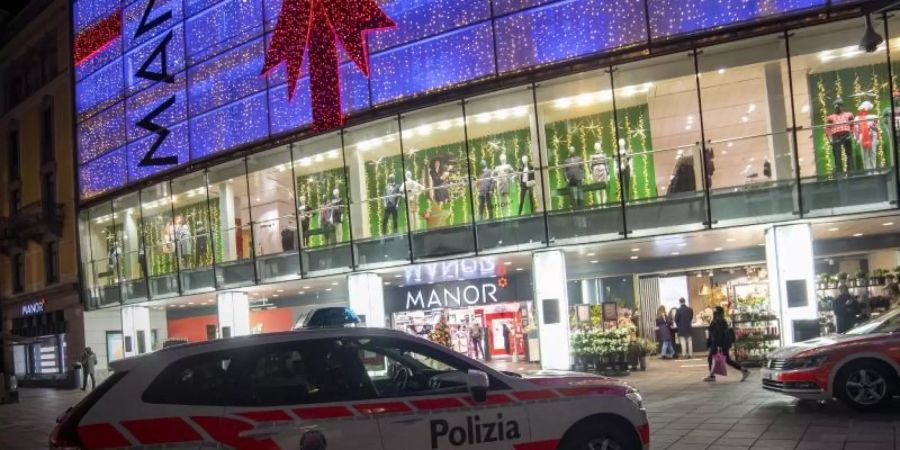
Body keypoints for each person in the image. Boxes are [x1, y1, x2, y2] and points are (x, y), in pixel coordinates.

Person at [704, 307, 749, 382]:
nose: (714, 313)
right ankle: (744, 370)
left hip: (719, 343)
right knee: (727, 360)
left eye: (715, 311)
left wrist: (719, 346)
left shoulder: (719, 320)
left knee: (712, 358)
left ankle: (712, 376)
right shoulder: (720, 319)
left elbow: (719, 334)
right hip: (721, 343)